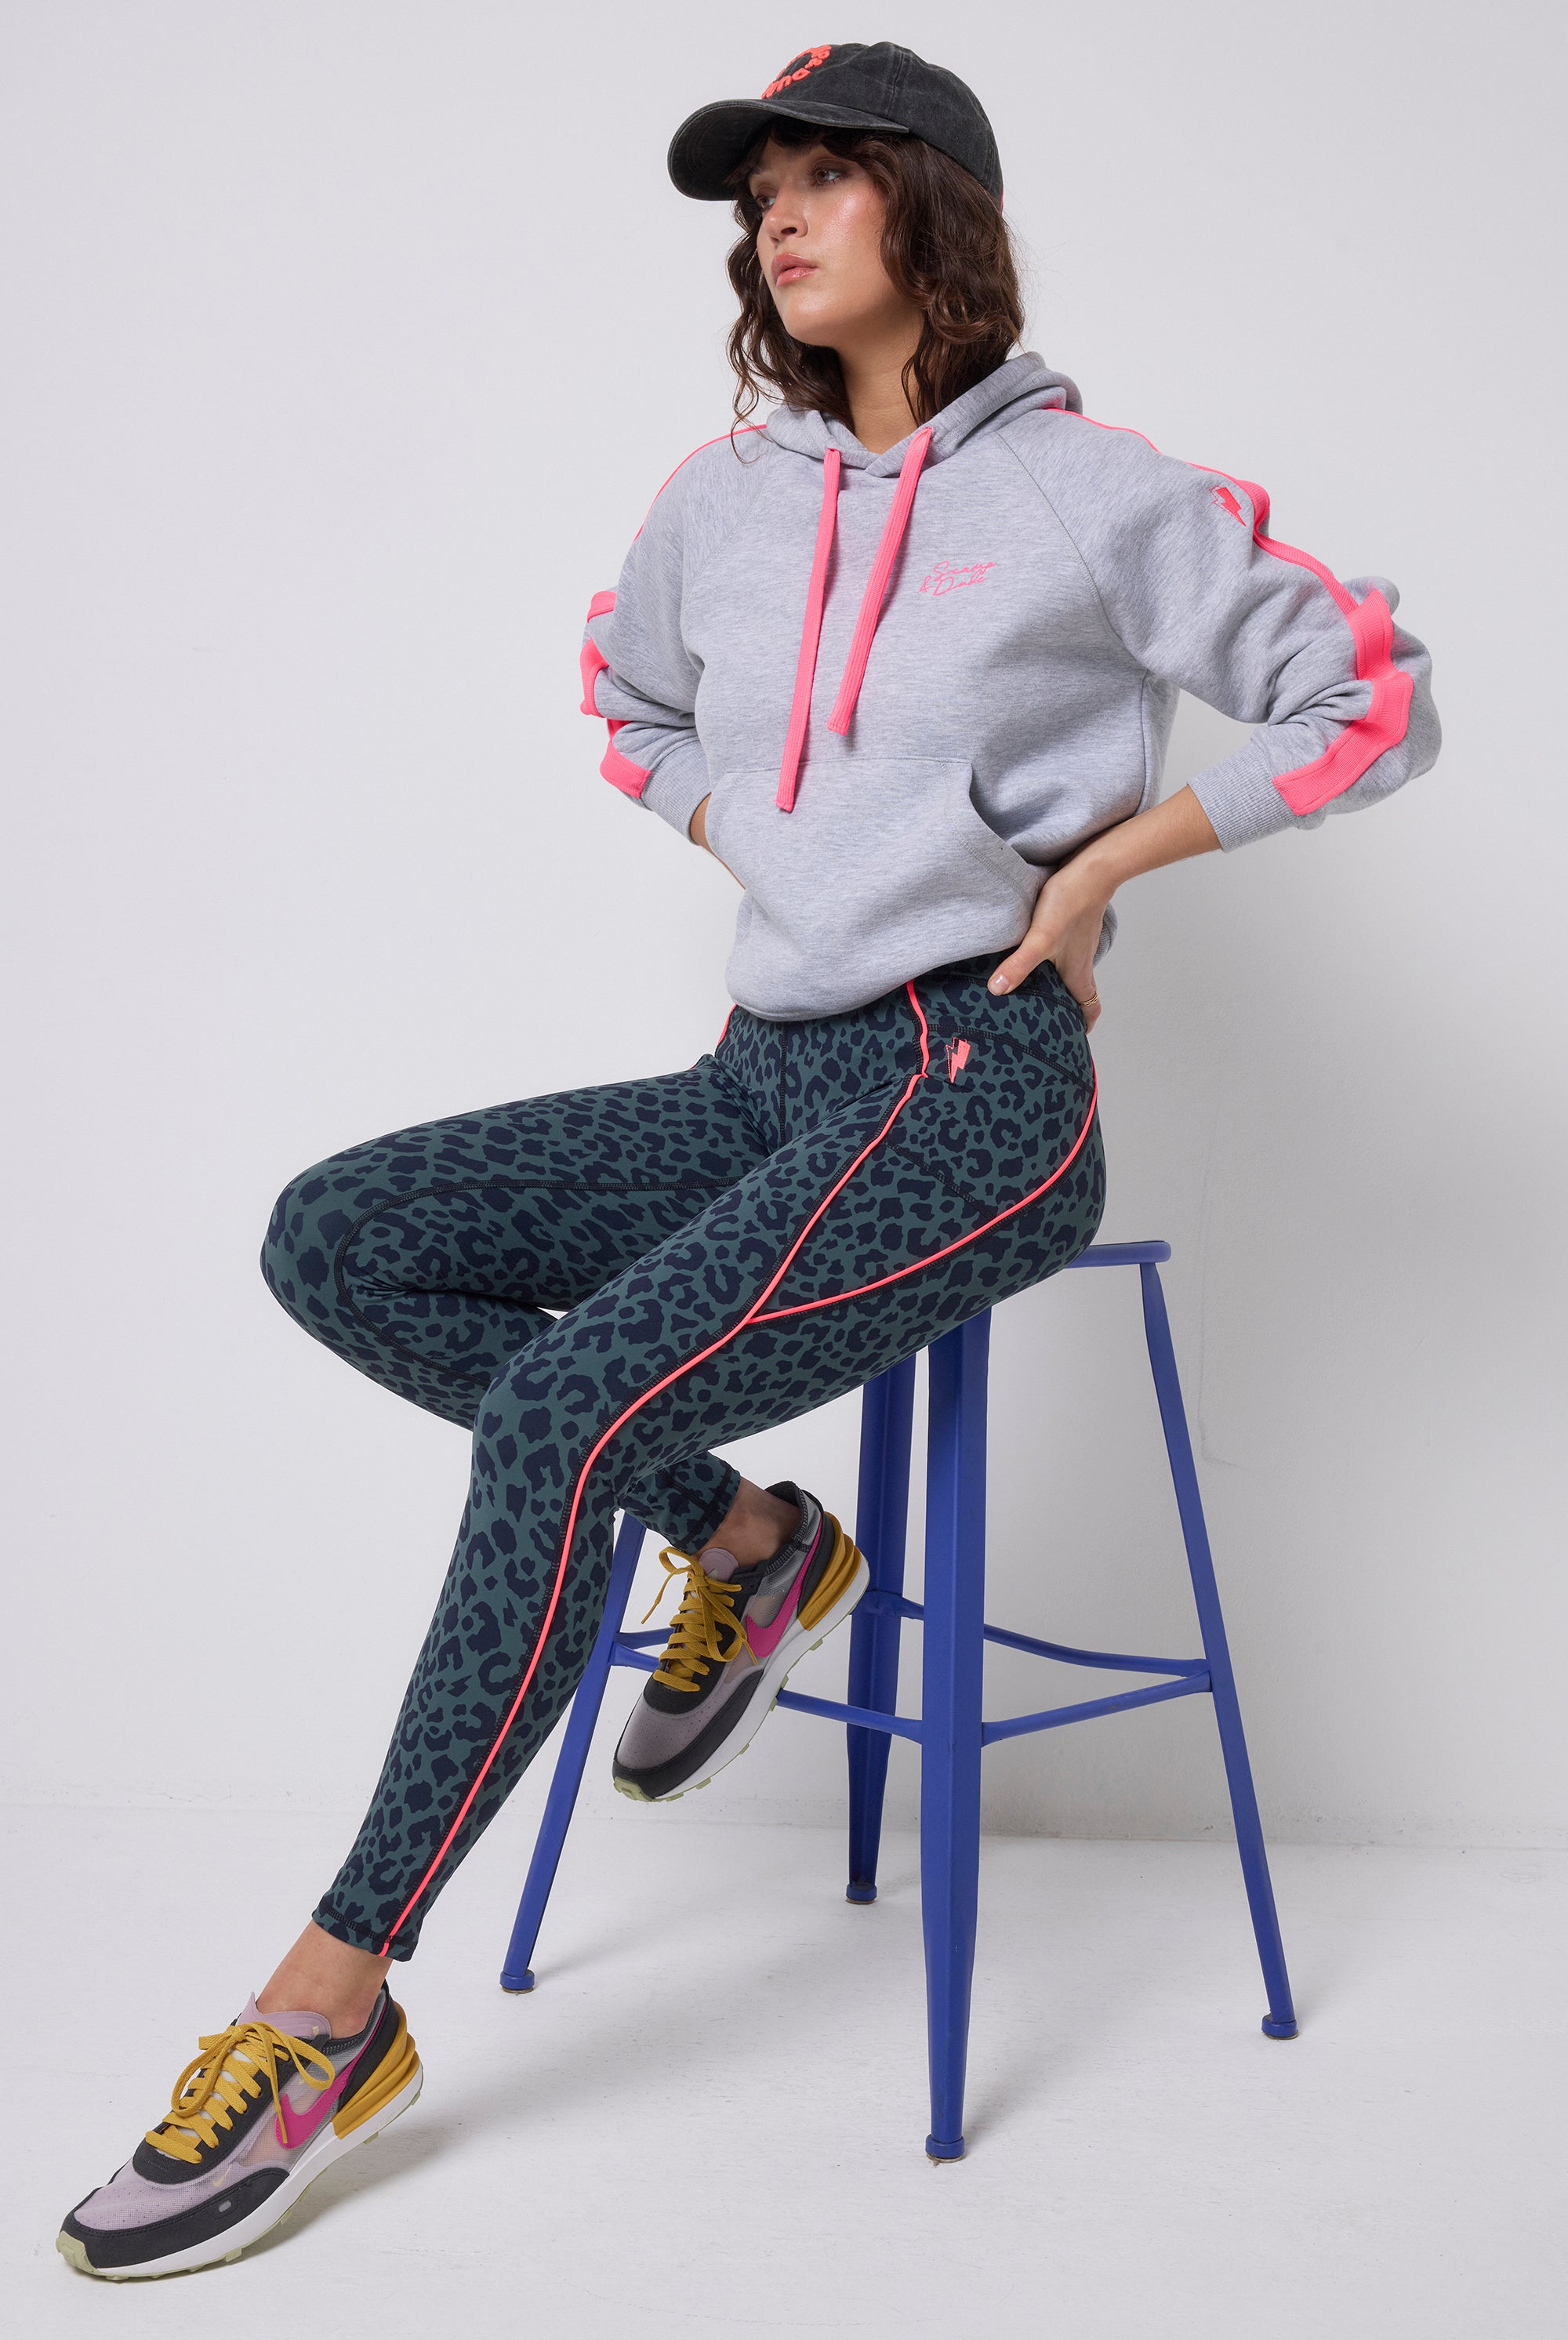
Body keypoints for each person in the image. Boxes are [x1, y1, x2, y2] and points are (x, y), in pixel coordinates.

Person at [57, 41, 1439, 2280]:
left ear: (936, 211)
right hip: (769, 1071)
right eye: (759, 190)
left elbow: (1371, 694)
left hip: (977, 1087)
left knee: (559, 1401)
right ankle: (758, 1540)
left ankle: (325, 2013)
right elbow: (630, 697)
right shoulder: (726, 497)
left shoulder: (1088, 488)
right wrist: (761, 835)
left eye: (826, 178)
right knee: (338, 1235)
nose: (779, 219)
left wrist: (1098, 874)